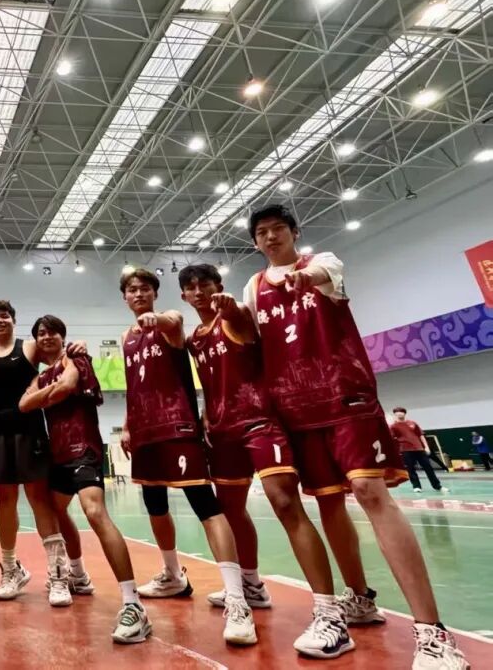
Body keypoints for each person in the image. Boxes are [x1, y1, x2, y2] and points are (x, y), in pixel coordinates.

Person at [245, 204, 469, 670]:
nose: (270, 237)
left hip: (344, 394)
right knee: (328, 502)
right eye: (261, 232)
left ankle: (433, 634)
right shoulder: (253, 287)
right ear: (255, 242)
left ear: (294, 232)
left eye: (278, 229)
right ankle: (360, 599)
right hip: (294, 406)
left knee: (369, 491)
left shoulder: (322, 262)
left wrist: (305, 278)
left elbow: (324, 274)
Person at [180, 264, 353, 658]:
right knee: (231, 511)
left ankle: (329, 611)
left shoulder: (235, 317)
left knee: (285, 502)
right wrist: (206, 416)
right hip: (221, 431)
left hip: (259, 423)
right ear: (185, 296)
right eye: (191, 287)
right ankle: (252, 584)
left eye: (205, 284)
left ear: (218, 286)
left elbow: (239, 316)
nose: (199, 291)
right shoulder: (194, 339)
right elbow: (211, 383)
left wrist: (231, 306)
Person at [119, 267, 256, 647]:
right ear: (125, 297)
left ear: (154, 294)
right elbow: (133, 386)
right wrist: (128, 426)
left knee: (205, 505)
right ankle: (173, 574)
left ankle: (237, 598)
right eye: (132, 290)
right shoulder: (126, 337)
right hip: (144, 433)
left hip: (177, 427)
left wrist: (156, 319)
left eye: (145, 289)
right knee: (155, 506)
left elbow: (171, 321)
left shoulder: (171, 323)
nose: (138, 294)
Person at [20, 315, 151, 645]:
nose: (46, 337)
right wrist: (51, 391)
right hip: (58, 454)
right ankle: (78, 574)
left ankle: (132, 603)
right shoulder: (43, 374)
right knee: (56, 510)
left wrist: (48, 392)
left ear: (63, 337)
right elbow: (24, 404)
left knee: (94, 512)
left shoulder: (78, 359)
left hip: (84, 448)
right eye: (41, 333)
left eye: (52, 332)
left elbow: (66, 387)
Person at [0, 300, 91, 605]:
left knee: (39, 499)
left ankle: (58, 575)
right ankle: (11, 570)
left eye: (5, 315)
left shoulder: (29, 347)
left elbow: (59, 352)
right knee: (5, 501)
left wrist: (79, 345)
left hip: (29, 431)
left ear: (13, 321)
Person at [390, 408, 446, 493]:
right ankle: (416, 486)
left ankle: (437, 486)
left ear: (404, 413)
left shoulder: (413, 423)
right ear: (394, 414)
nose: (399, 414)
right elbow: (391, 438)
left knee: (428, 468)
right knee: (411, 469)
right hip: (405, 450)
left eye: (401, 412)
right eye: (397, 412)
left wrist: (426, 447)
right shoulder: (393, 426)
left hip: (419, 449)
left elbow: (421, 435)